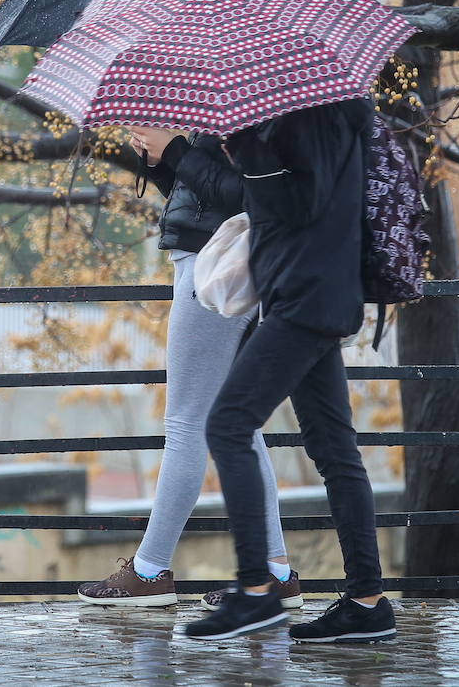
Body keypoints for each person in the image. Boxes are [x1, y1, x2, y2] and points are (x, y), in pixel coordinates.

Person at [183, 98, 395, 643]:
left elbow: (300, 204)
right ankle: (368, 601)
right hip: (306, 296)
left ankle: (256, 591)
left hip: (307, 299)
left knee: (227, 424)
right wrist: (238, 146)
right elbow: (289, 198)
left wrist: (247, 147)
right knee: (335, 452)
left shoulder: (318, 112)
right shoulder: (315, 112)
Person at [76, 126, 301, 610]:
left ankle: (149, 570)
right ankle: (275, 574)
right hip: (219, 264)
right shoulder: (215, 107)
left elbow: (247, 195)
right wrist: (161, 162)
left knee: (185, 423)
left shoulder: (245, 106)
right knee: (240, 426)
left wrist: (176, 150)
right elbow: (203, 200)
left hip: (216, 269)